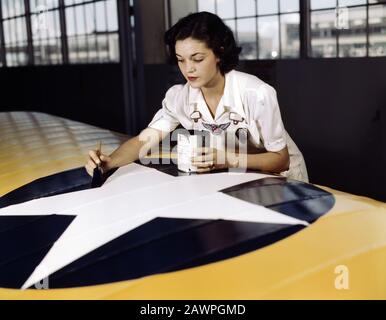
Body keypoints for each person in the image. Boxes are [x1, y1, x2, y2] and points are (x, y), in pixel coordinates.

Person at [85, 12, 308, 182]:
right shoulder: (179, 97)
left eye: (197, 58)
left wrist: (225, 159)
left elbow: (281, 159)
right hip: (237, 176)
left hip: (285, 178)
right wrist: (108, 162)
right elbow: (144, 141)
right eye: (181, 60)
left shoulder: (256, 93)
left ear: (219, 52)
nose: (188, 69)